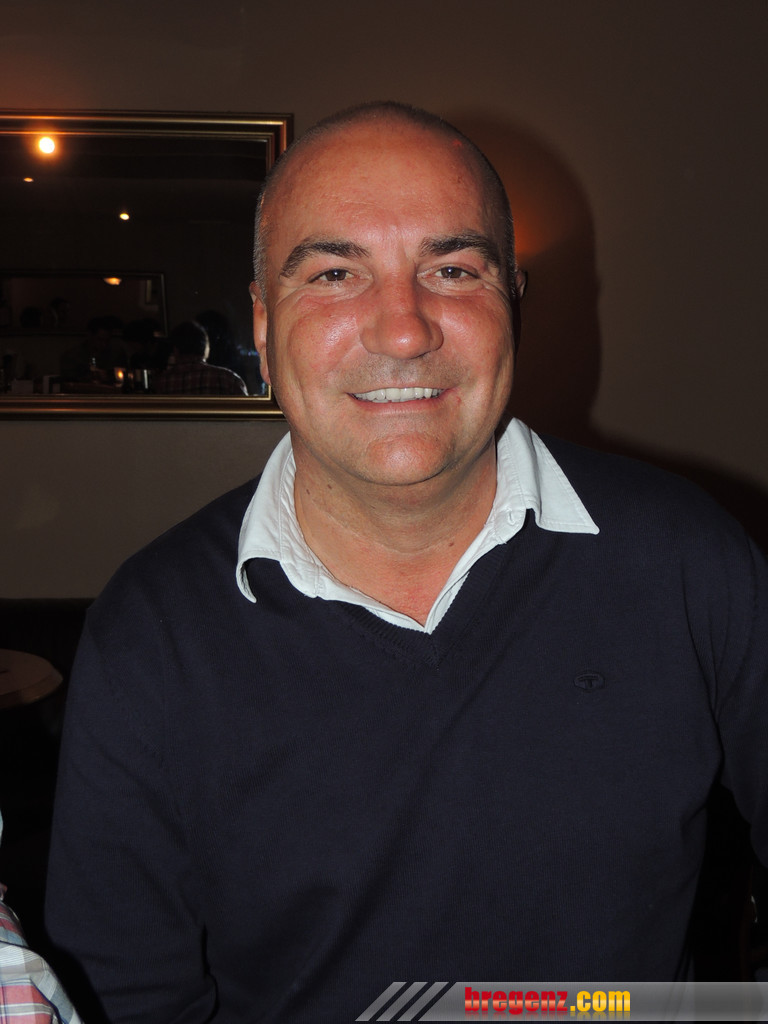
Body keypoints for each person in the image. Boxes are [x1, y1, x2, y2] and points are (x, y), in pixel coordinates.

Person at [45, 103, 768, 1022]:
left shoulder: (688, 561)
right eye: (335, 273)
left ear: (513, 303)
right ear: (263, 324)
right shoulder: (151, 631)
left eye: (453, 270)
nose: (402, 330)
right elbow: (129, 998)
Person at [153, 320, 248, 396]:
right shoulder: (229, 380)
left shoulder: (161, 383)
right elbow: (247, 412)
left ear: (175, 350)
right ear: (205, 348)